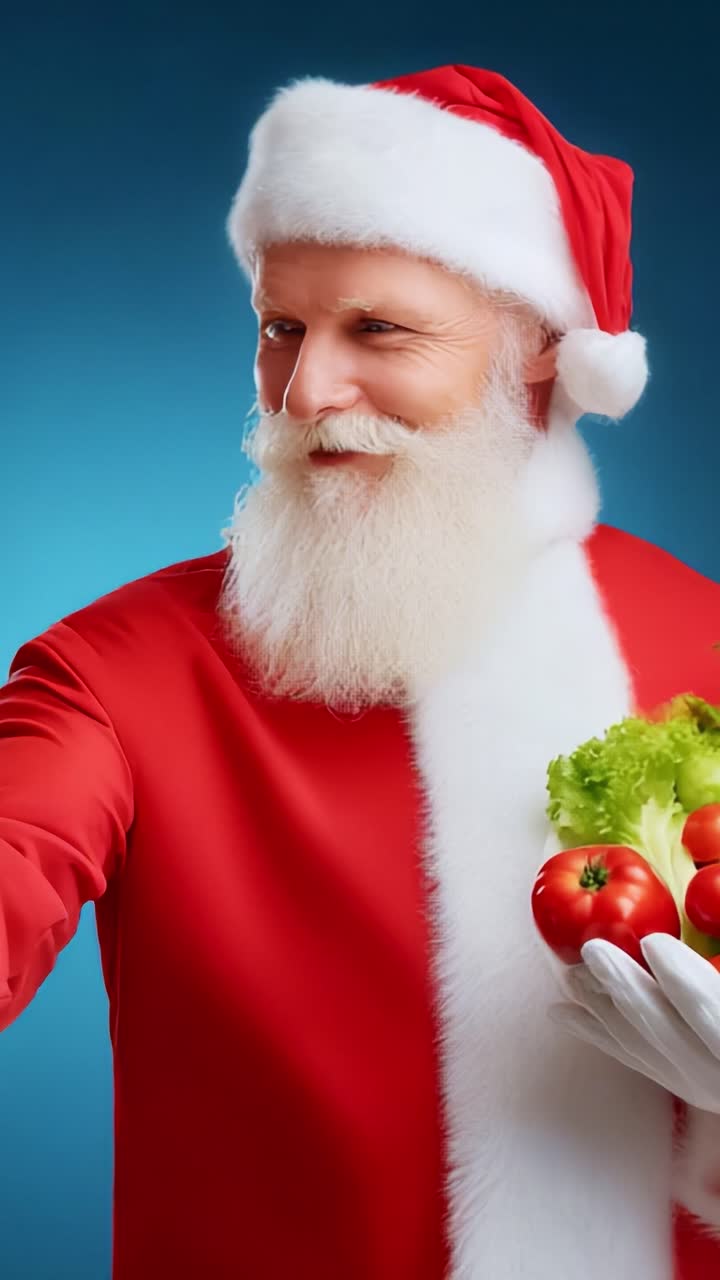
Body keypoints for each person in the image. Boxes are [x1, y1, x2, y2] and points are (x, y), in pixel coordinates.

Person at [2, 62, 720, 1280]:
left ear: (539, 349)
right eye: (282, 327)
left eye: (376, 329)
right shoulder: (118, 670)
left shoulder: (701, 635)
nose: (305, 392)